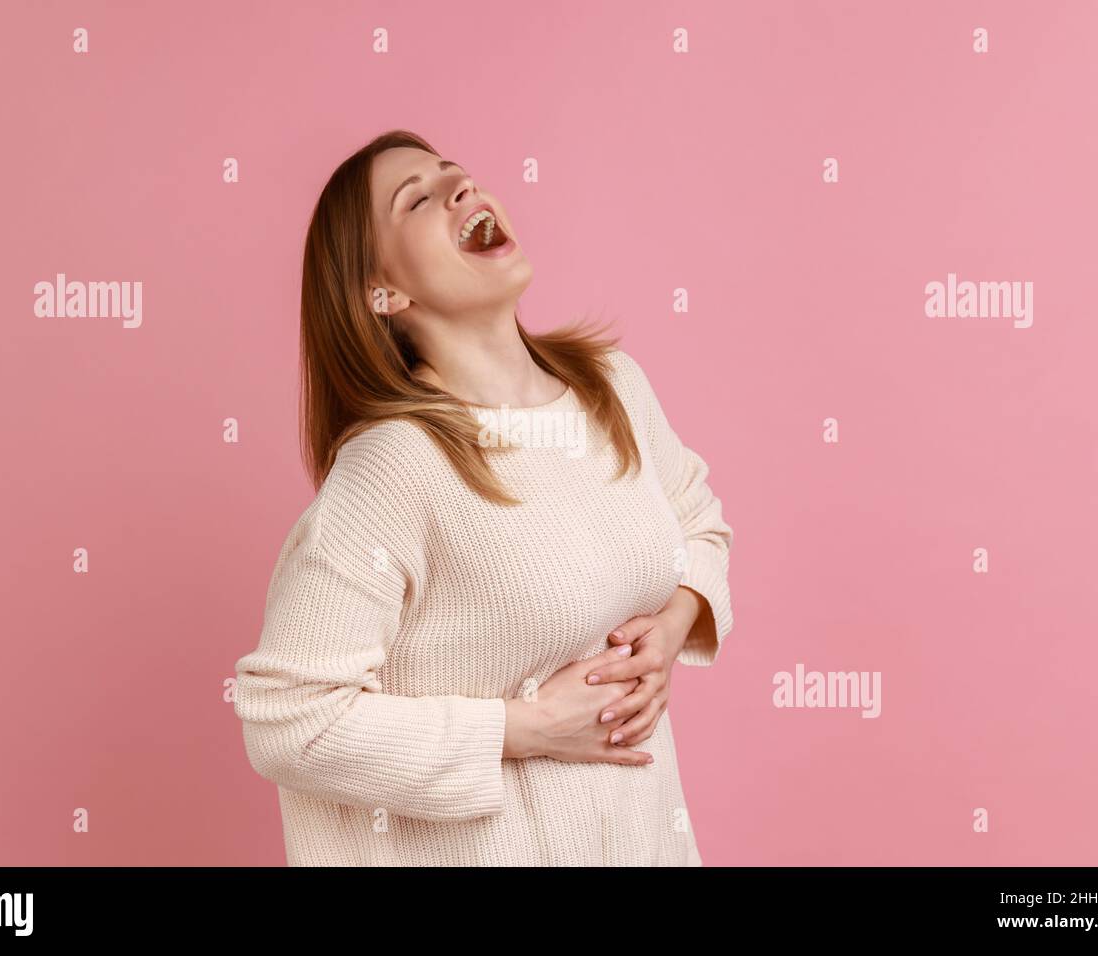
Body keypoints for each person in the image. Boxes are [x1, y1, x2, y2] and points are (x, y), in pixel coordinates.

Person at [232, 129, 734, 865]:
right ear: (385, 292)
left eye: (456, 177)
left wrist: (670, 627)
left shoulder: (613, 387)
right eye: (420, 200)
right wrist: (523, 728)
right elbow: (289, 720)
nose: (461, 190)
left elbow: (696, 520)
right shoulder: (396, 468)